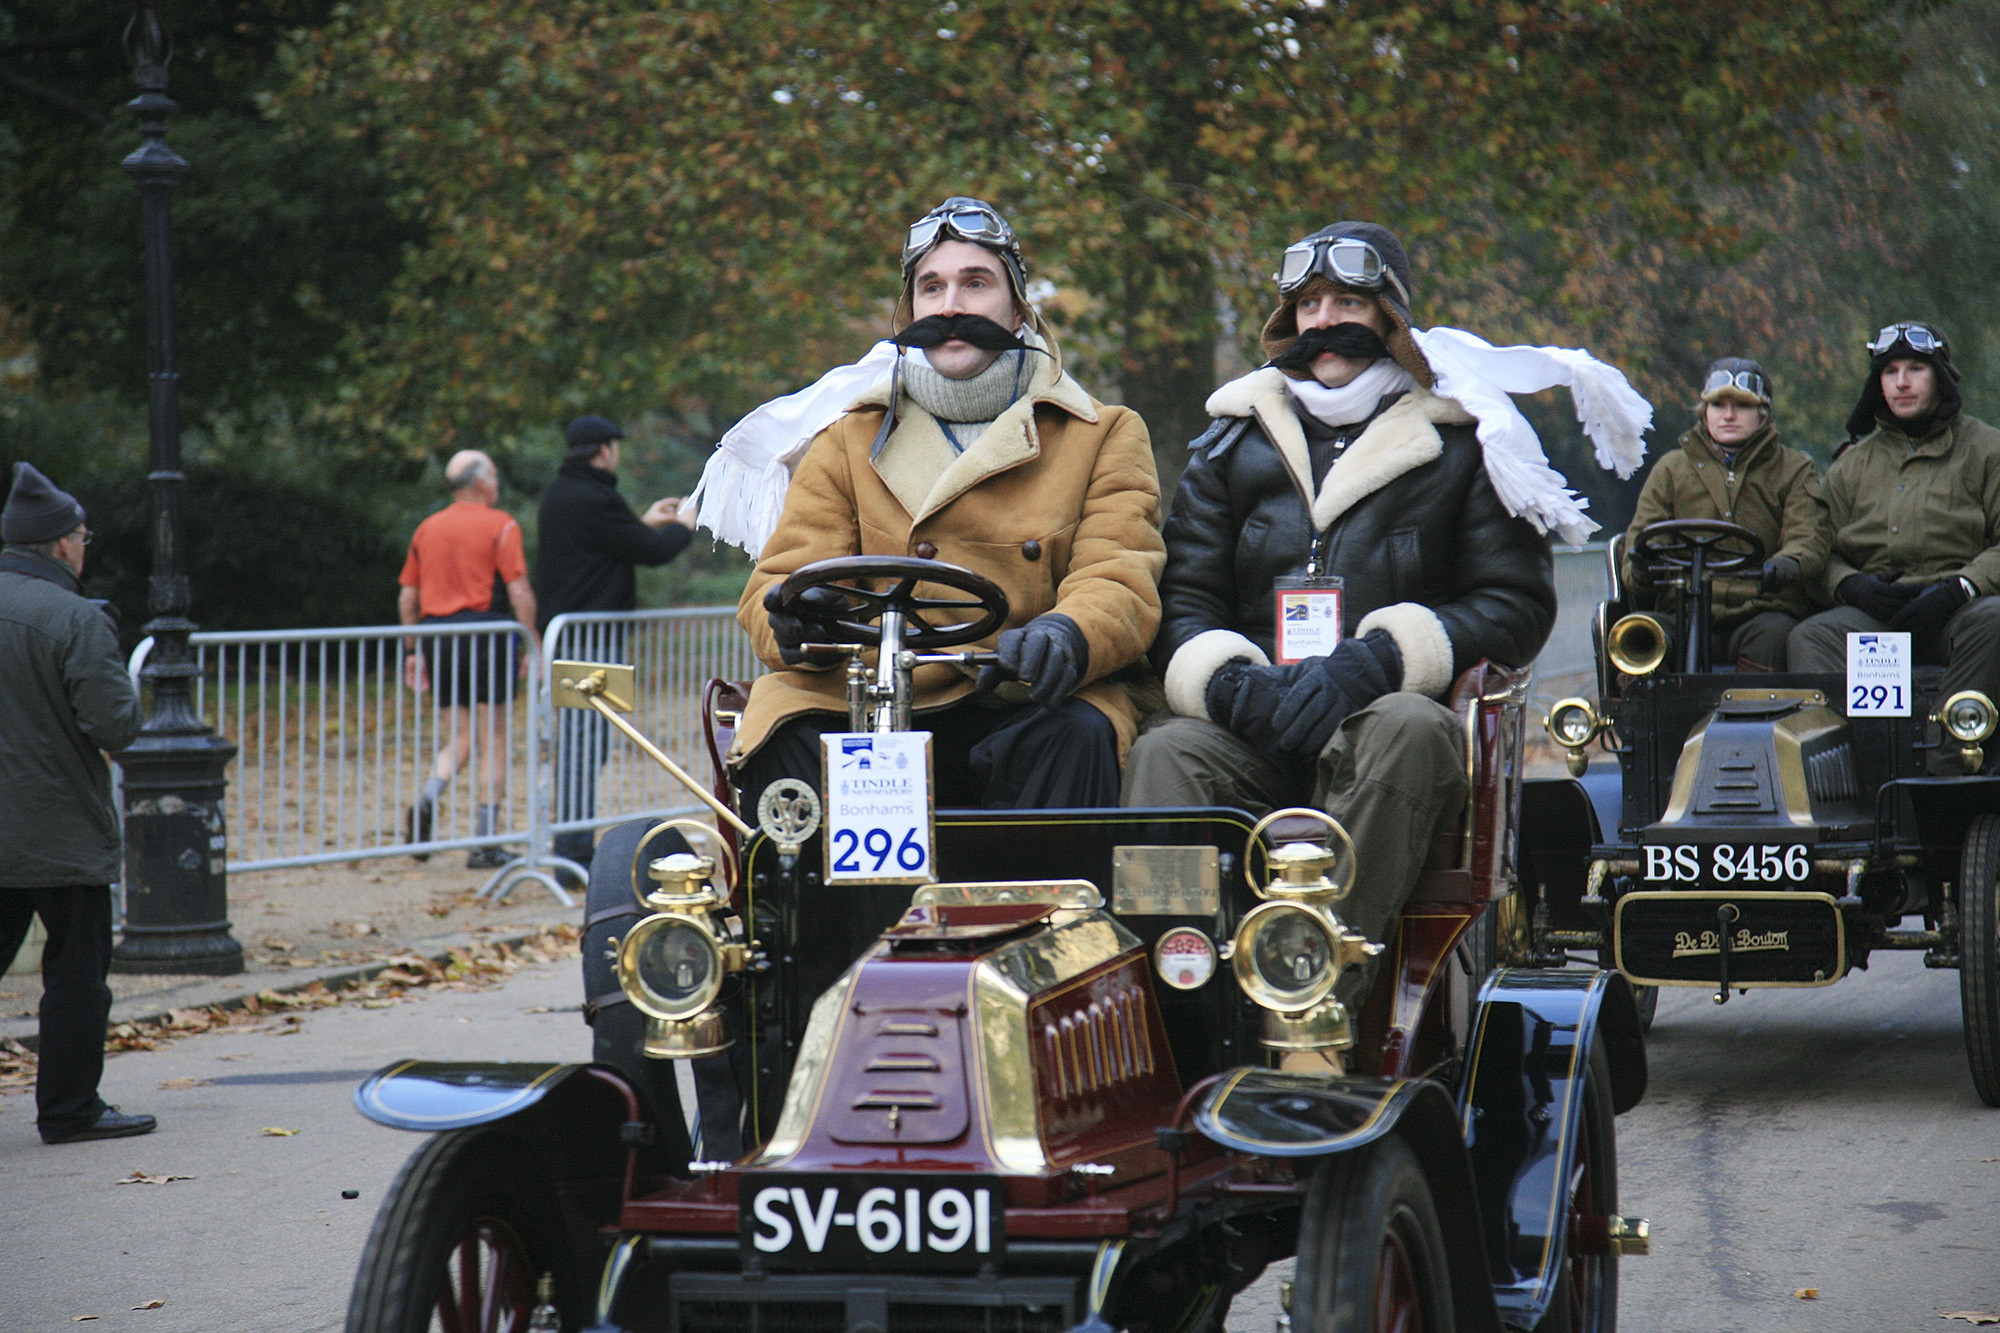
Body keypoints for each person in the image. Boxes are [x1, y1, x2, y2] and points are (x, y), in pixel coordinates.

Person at [1122, 220, 1636, 996]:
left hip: (1388, 721)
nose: (1323, 322)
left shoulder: (1467, 442)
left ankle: (1311, 989)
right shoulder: (1230, 441)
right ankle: (1180, 1000)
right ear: (1285, 325)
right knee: (1165, 751)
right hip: (1256, 722)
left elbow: (1517, 605)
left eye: (1348, 304)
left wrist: (1380, 661)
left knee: (1406, 727)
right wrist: (1230, 682)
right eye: (1308, 304)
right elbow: (1183, 599)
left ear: (1391, 318)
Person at [728, 197, 1164, 822]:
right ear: (910, 313)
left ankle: (1048, 918)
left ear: (1017, 312)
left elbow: (1121, 576)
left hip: (1022, 696)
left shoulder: (1102, 434)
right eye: (932, 288)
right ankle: (834, 921)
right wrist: (803, 620)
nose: (951, 306)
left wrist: (1067, 633)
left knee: (1075, 734)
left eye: (976, 284)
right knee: (785, 734)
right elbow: (776, 582)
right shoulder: (846, 440)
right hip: (874, 699)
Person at [0, 462, 152, 1143]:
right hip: (60, 829)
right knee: (76, 974)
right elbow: (114, 725)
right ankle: (68, 1108)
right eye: (84, 535)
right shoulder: (73, 618)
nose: (85, 546)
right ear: (63, 542)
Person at [1789, 322, 2000, 748]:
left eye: (1915, 369)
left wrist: (1960, 587)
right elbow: (1816, 548)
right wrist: (1851, 586)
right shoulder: (1851, 465)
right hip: (1880, 614)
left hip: (1958, 609)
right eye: (1889, 372)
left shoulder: (1988, 450)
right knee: (1811, 636)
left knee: (1997, 620)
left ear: (1940, 377)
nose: (1901, 383)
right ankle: (1841, 772)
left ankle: (1953, 758)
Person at [536, 415, 699, 872]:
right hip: (590, 641)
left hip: (572, 637)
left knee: (582, 740)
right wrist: (685, 523)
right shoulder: (593, 497)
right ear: (604, 451)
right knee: (585, 743)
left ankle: (573, 843)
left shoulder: (563, 494)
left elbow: (612, 542)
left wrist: (644, 521)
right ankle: (573, 850)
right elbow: (651, 551)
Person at [1621, 357, 1830, 668]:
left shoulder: (1794, 468)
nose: (1728, 415)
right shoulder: (1671, 469)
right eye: (1718, 405)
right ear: (1705, 412)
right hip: (1684, 609)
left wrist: (1785, 565)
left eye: (1742, 406)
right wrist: (1642, 565)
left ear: (1763, 413)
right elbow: (1641, 540)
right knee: (1642, 638)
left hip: (1762, 608)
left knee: (1774, 638)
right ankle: (1643, 714)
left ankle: (1756, 711)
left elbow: (1809, 537)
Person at [397, 450, 540, 869]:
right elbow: (518, 591)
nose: (497, 483)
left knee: (459, 737)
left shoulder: (427, 528)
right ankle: (485, 842)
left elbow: (408, 596)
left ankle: (428, 797)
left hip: (437, 636)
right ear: (480, 483)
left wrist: (411, 651)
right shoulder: (501, 524)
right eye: (494, 475)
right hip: (487, 635)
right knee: (493, 737)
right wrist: (530, 639)